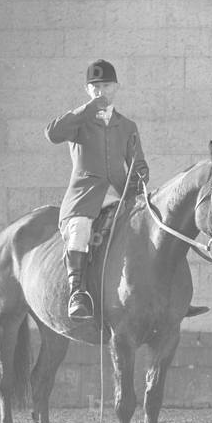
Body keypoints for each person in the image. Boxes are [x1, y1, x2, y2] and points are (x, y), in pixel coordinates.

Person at [45, 59, 148, 320]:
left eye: (106, 86)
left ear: (116, 87)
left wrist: (140, 176)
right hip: (84, 198)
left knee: (148, 230)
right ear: (88, 90)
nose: (102, 91)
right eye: (96, 86)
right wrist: (86, 110)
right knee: (79, 229)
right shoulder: (78, 122)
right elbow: (52, 134)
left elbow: (138, 162)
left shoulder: (127, 126)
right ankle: (77, 292)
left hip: (120, 195)